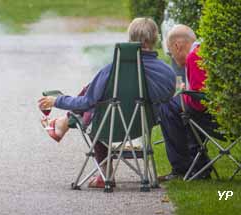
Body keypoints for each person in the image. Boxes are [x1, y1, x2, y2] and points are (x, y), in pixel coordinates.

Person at [38, 17, 176, 188]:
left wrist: (57, 100)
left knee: (95, 106)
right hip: (142, 125)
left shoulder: (111, 71)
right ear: (156, 39)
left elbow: (87, 102)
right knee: (97, 98)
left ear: (130, 40)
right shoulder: (167, 72)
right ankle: (62, 124)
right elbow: (167, 100)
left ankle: (105, 174)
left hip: (108, 127)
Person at [158, 24, 217, 181]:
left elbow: (199, 103)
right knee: (177, 107)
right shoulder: (204, 50)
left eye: (171, 53)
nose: (173, 58)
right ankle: (198, 164)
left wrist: (183, 93)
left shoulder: (193, 56)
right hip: (219, 112)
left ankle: (183, 167)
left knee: (167, 105)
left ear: (177, 46)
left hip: (212, 117)